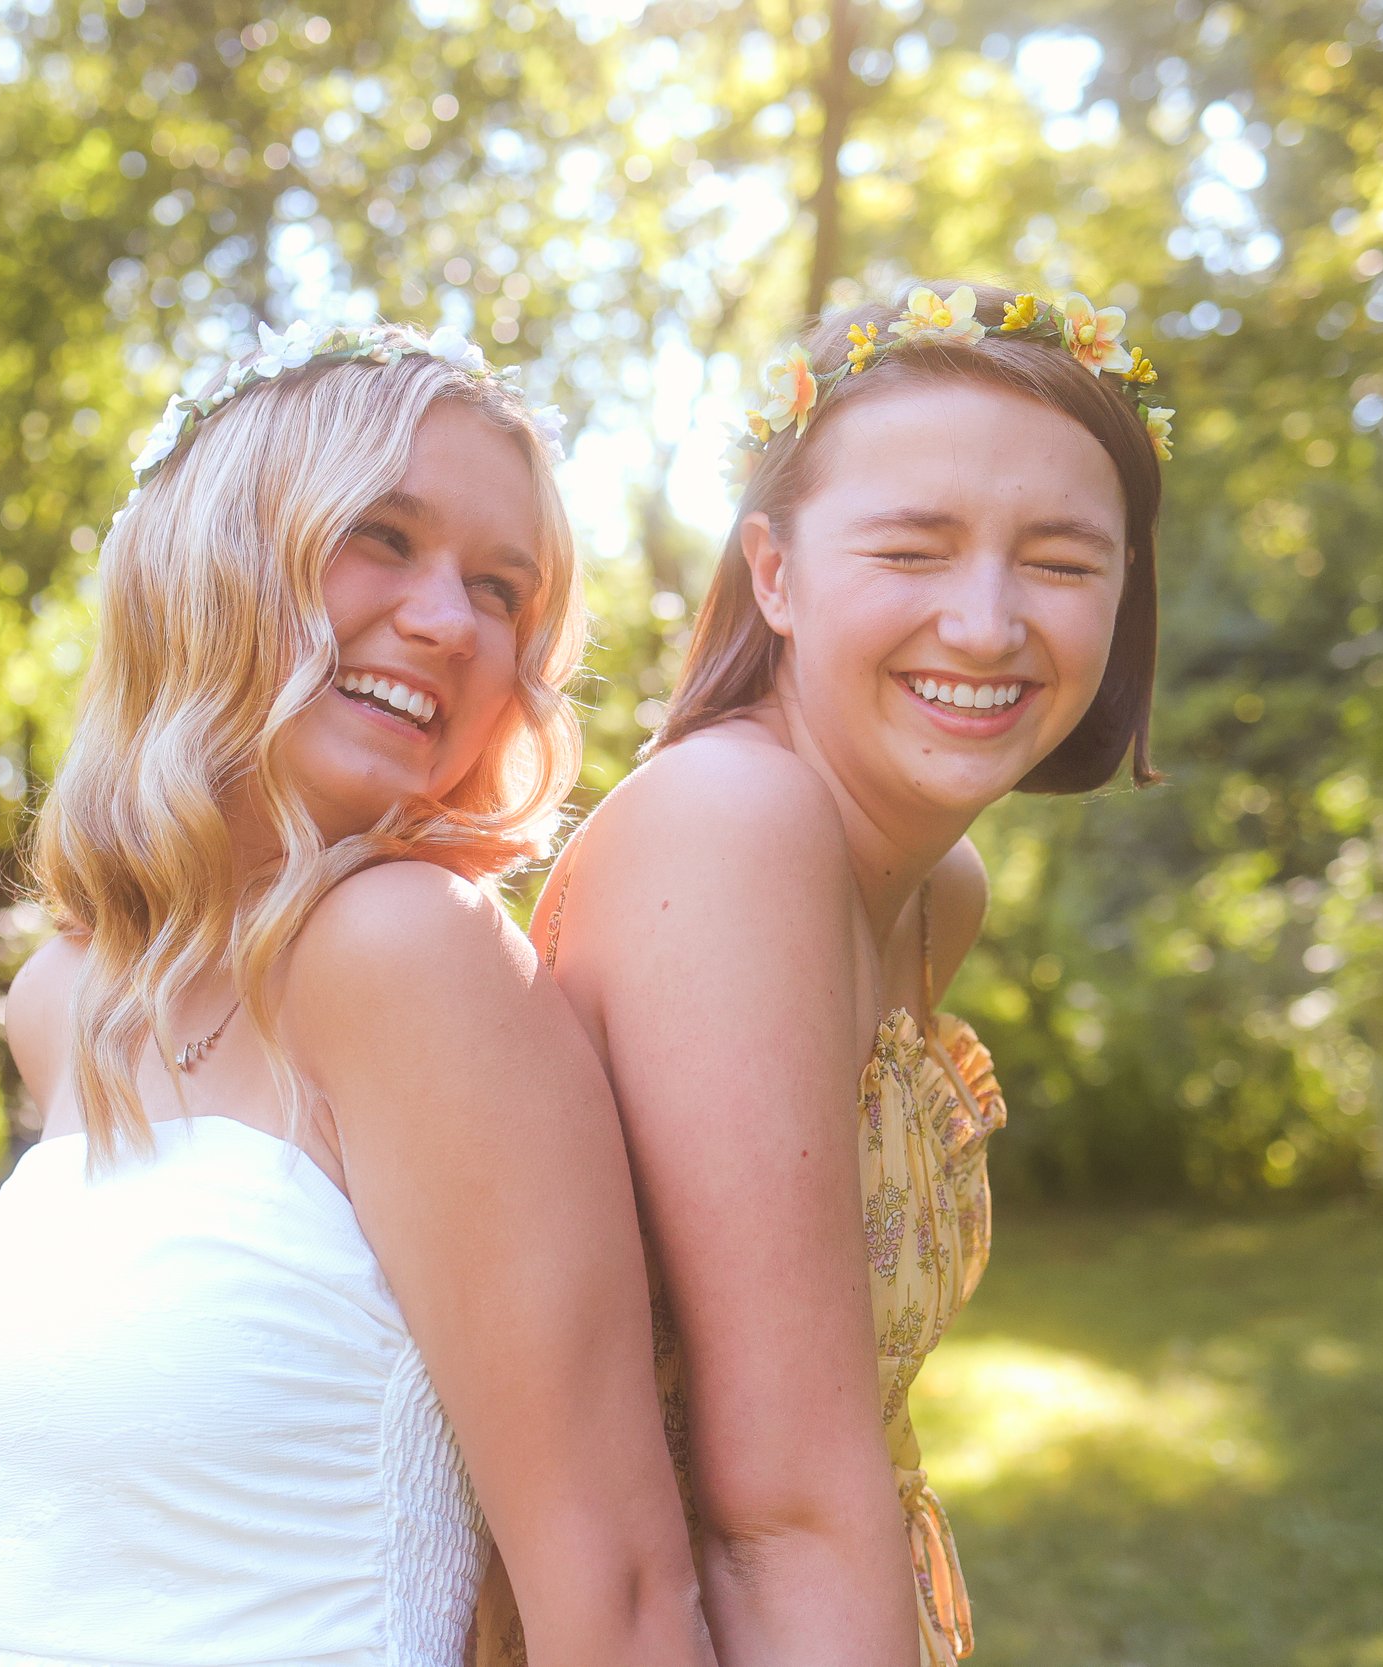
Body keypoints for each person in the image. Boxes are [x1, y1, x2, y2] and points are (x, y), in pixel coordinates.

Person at [0, 320, 714, 1667]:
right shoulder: (67, 998)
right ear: (207, 559)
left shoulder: (410, 953)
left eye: (501, 591)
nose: (449, 623)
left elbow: (614, 1595)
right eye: (381, 535)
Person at [478, 281, 1169, 1666]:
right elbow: (774, 1512)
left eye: (1061, 560)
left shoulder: (934, 894)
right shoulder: (734, 823)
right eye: (914, 551)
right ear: (776, 576)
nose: (986, 624)